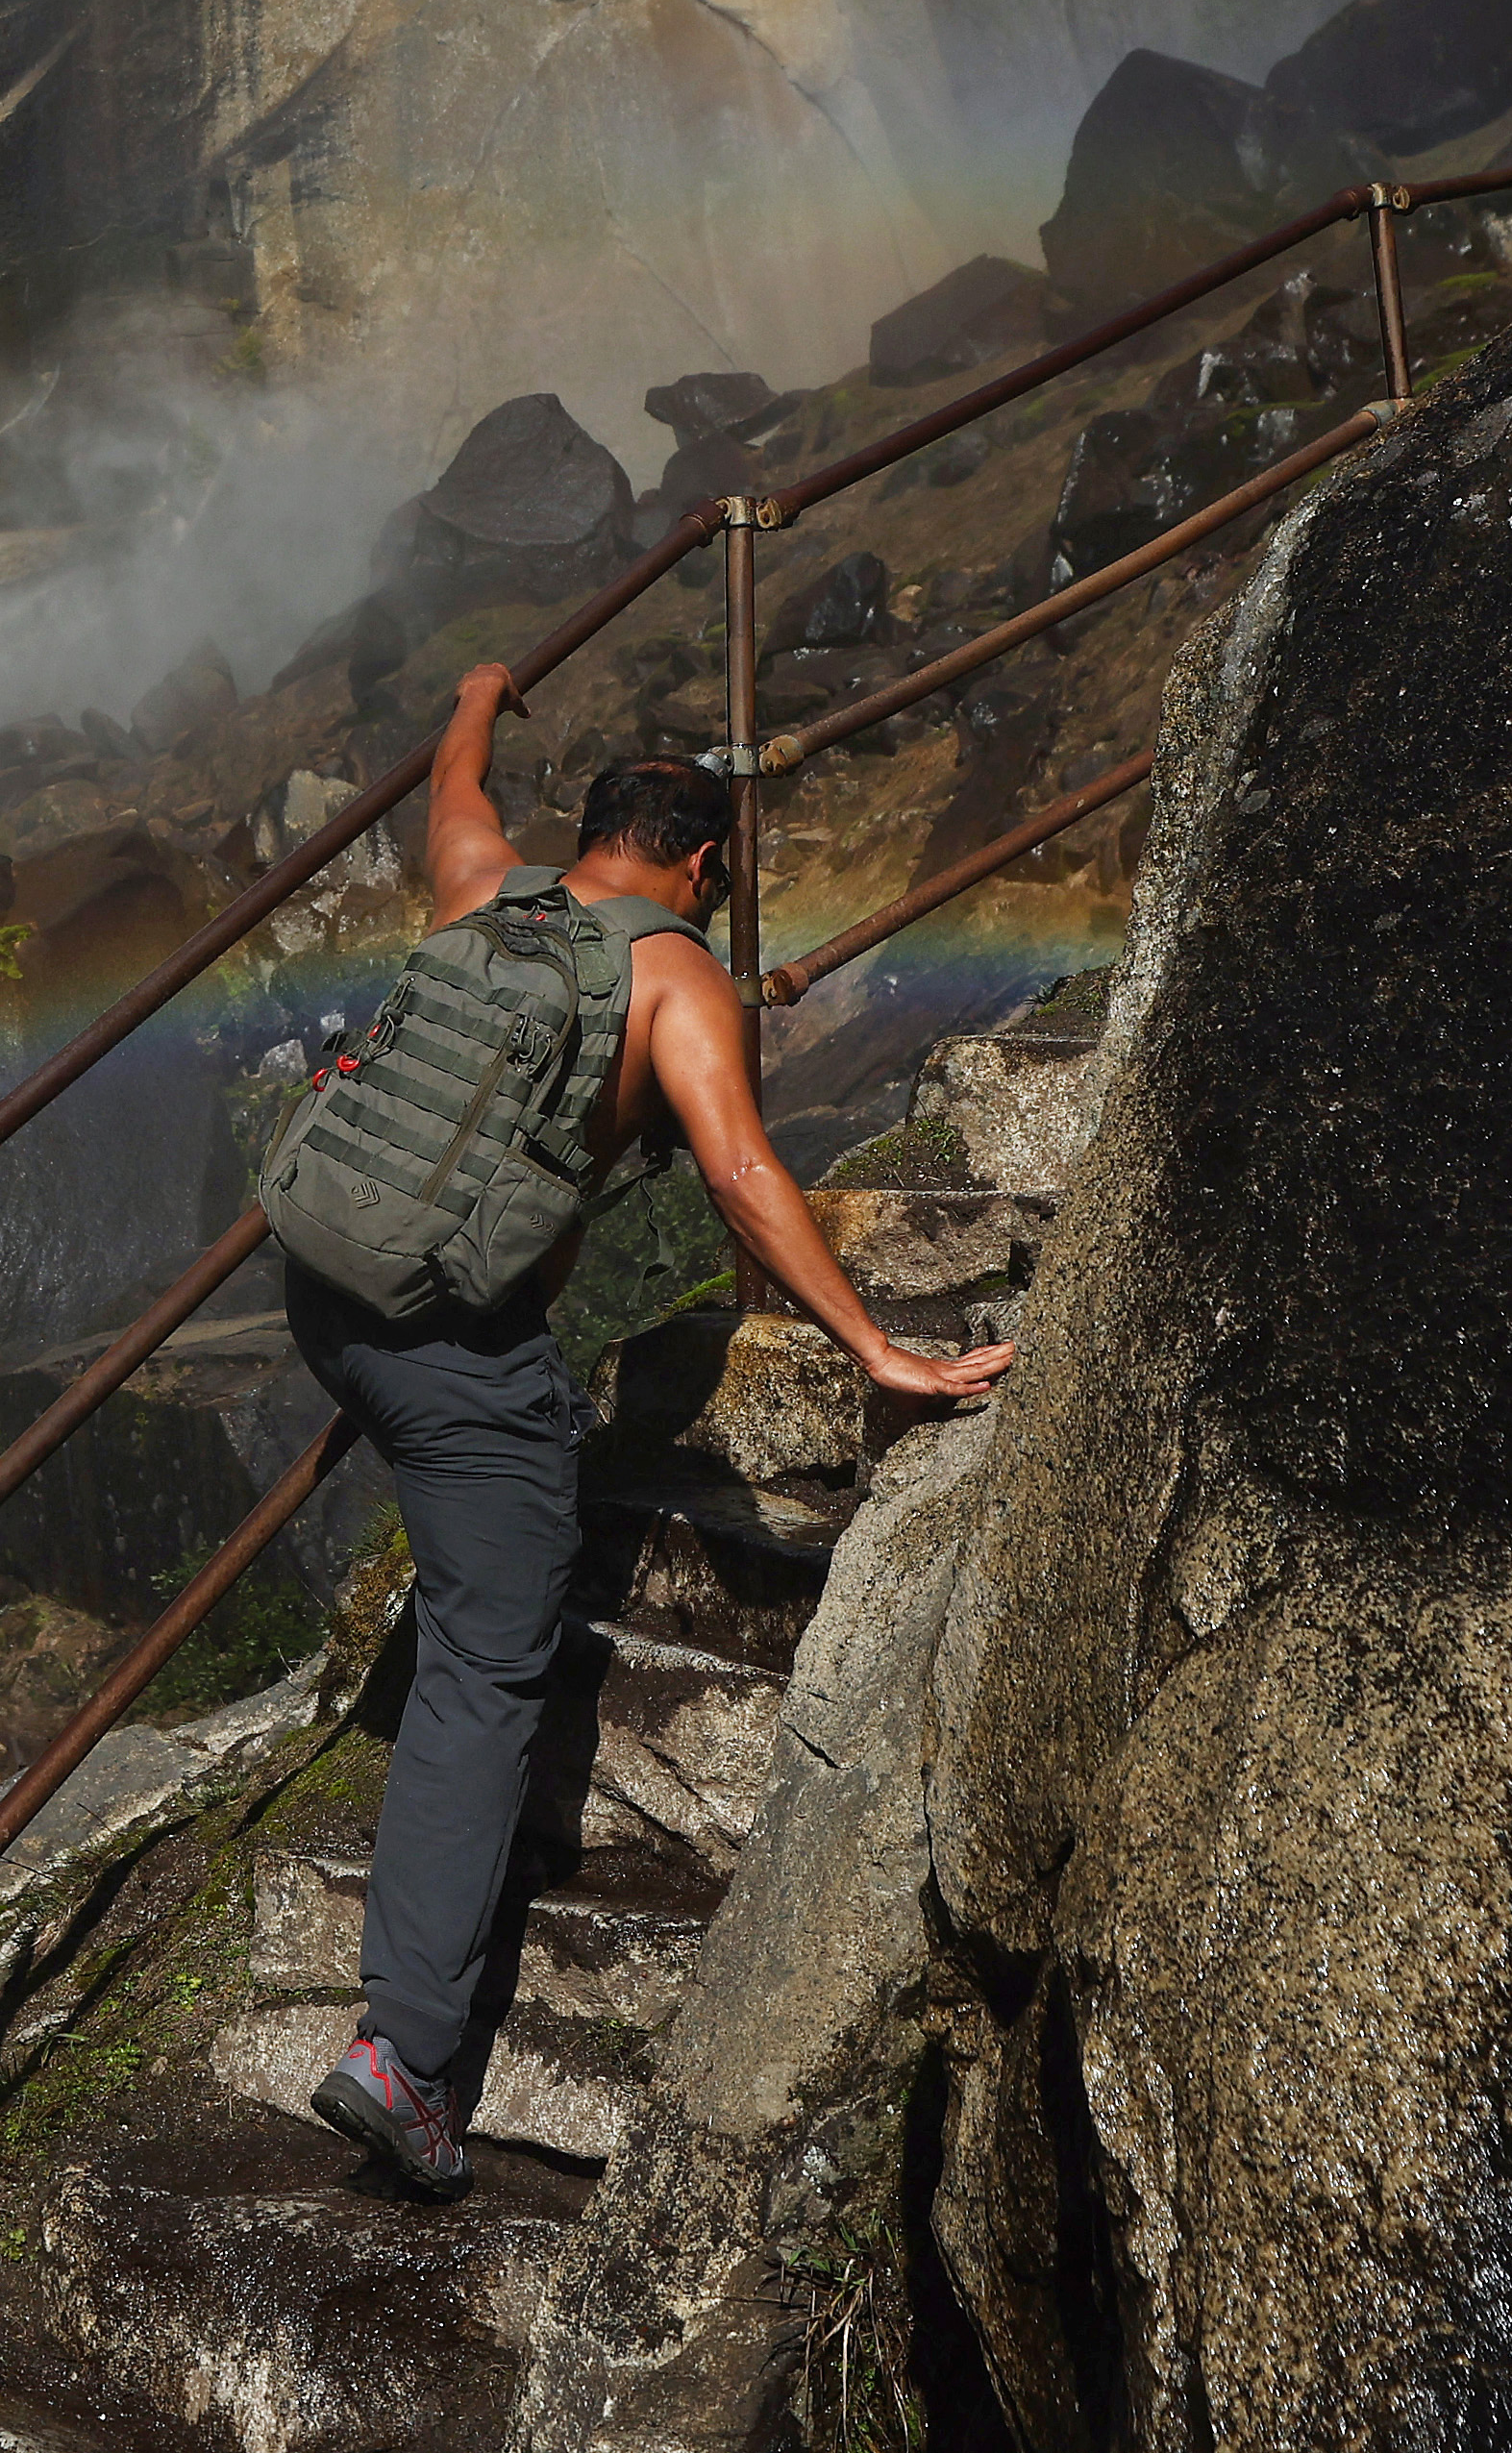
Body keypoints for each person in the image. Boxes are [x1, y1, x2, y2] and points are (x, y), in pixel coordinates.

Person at [289, 667, 1014, 2197]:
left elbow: (451, 789)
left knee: (474, 1529)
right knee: (490, 1667)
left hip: (326, 1294)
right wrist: (877, 1346)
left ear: (595, 831)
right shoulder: (674, 972)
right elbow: (744, 1172)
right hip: (458, 1353)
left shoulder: (490, 889)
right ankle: (406, 2062)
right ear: (698, 867)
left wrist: (479, 690)